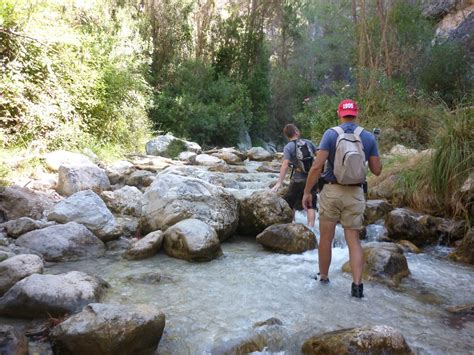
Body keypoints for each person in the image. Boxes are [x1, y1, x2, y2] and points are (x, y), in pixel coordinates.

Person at [302, 99, 382, 298]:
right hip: (355, 193)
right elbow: (377, 170)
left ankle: (323, 277)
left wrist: (307, 192)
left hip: (332, 190)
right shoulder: (368, 137)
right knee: (353, 240)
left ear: (340, 113)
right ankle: (357, 287)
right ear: (356, 114)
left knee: (326, 239)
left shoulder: (331, 134)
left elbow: (316, 167)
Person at [271, 124, 318, 228]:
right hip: (312, 177)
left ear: (287, 135)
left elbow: (285, 164)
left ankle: (292, 225)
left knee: (289, 202)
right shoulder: (309, 142)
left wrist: (279, 182)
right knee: (311, 204)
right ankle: (312, 228)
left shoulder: (288, 147)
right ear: (296, 132)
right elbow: (319, 156)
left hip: (298, 179)